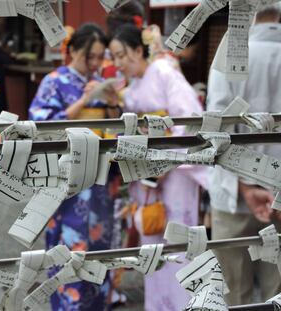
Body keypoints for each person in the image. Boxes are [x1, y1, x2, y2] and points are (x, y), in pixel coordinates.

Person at [207, 1, 281, 305]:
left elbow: (215, 133)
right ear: (280, 10)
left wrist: (245, 185)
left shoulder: (226, 60)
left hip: (234, 195)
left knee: (230, 294)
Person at [109, 24, 207, 311]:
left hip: (175, 171)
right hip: (146, 173)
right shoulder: (133, 86)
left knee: (176, 240)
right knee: (152, 240)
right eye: (113, 57)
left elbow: (190, 118)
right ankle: (156, 305)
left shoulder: (164, 73)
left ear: (139, 50)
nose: (117, 63)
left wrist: (167, 157)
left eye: (121, 55)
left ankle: (183, 304)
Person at [29, 23, 119, 311]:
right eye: (88, 57)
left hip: (100, 180)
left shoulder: (99, 82)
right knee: (69, 249)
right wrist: (83, 101)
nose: (94, 63)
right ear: (73, 51)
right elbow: (43, 126)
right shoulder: (54, 81)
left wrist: (113, 103)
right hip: (67, 183)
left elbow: (116, 130)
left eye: (98, 57)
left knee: (100, 248)